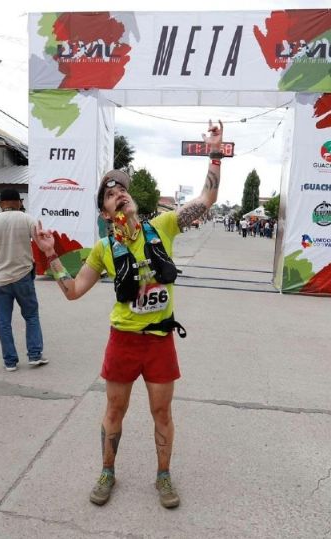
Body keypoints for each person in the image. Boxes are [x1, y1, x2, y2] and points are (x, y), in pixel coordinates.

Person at [34, 120, 224, 510]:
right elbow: (72, 292)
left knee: (161, 412)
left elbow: (207, 199)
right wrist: (51, 255)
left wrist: (215, 152)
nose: (118, 193)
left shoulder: (164, 226)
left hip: (160, 340)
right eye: (109, 193)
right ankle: (107, 471)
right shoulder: (103, 249)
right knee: (114, 410)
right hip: (122, 340)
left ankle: (164, 475)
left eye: (122, 188)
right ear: (105, 213)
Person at [0, 188, 45, 371]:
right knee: (31, 315)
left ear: (0, 204)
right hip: (23, 275)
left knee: (3, 321)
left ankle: (10, 362)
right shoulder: (27, 219)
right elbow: (41, 243)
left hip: (0, 280)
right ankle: (34, 355)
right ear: (19, 202)